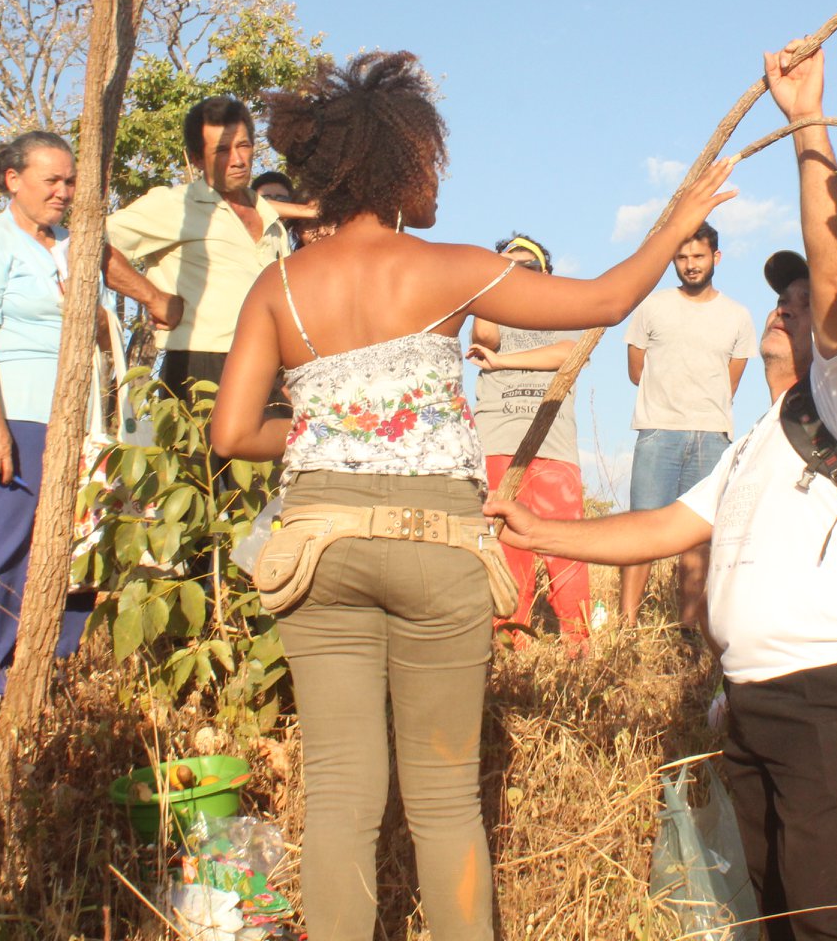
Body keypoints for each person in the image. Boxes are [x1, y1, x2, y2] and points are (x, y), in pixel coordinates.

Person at [211, 51, 734, 941]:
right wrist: (677, 219)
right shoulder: (448, 268)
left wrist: (330, 432)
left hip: (317, 545)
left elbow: (230, 434)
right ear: (400, 165)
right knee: (447, 802)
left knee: (339, 796)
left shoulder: (279, 285)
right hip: (439, 546)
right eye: (430, 163)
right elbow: (607, 301)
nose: (438, 180)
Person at [490, 40, 837, 941]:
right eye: (778, 300)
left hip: (833, 693)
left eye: (794, 303)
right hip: (756, 698)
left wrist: (805, 124)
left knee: (829, 906)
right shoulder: (759, 439)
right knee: (776, 897)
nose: (781, 309)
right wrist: (541, 533)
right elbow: (665, 526)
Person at [0, 129, 94, 710]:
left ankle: (52, 673)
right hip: (19, 414)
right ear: (14, 180)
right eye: (51, 180)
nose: (63, 191)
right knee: (1, 547)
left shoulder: (73, 245)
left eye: (70, 180)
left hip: (81, 419)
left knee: (77, 547)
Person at [105, 96, 316, 407]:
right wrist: (153, 297)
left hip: (271, 372)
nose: (238, 159)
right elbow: (89, 245)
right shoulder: (176, 205)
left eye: (244, 145)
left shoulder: (271, 221)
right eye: (221, 150)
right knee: (198, 457)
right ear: (196, 159)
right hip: (199, 368)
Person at [621, 220, 757, 630]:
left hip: (712, 435)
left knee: (699, 537)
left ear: (716, 257)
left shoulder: (738, 315)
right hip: (658, 430)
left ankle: (689, 629)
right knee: (641, 531)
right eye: (681, 258)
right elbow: (635, 370)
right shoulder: (653, 307)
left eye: (698, 256)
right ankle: (626, 627)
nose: (690, 265)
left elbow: (731, 380)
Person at [469, 233, 592, 656]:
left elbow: (569, 353)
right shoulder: (493, 314)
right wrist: (491, 282)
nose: (519, 275)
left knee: (566, 544)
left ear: (547, 274)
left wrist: (503, 364)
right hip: (498, 440)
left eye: (529, 267)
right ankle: (508, 640)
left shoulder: (562, 310)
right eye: (510, 267)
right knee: (505, 547)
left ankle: (578, 642)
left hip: (553, 445)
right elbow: (484, 339)